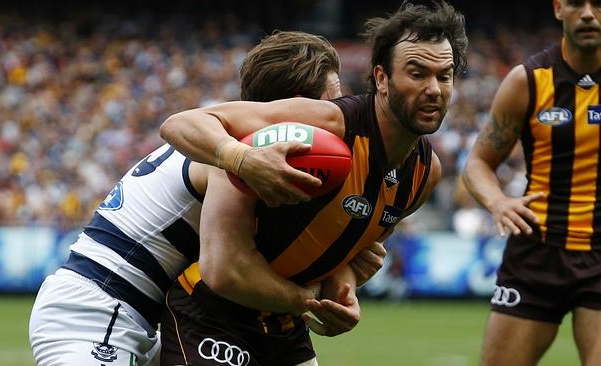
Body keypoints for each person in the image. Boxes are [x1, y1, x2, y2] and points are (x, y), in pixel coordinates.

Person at [28, 30, 386, 366]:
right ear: (298, 107)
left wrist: (344, 262)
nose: (342, 110)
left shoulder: (239, 143)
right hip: (96, 311)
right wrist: (312, 299)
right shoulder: (245, 156)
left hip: (135, 317)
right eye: (332, 99)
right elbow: (230, 270)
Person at [159, 1, 467, 365]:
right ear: (382, 78)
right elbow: (179, 124)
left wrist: (345, 289)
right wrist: (239, 157)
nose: (434, 89)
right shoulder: (328, 124)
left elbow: (345, 258)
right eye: (417, 73)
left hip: (286, 326)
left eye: (444, 75)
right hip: (211, 313)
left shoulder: (424, 173)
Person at [462, 1, 601, 365]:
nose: (587, 13)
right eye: (576, 3)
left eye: (600, 3)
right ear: (559, 9)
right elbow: (478, 162)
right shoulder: (527, 80)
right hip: (536, 253)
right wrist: (497, 202)